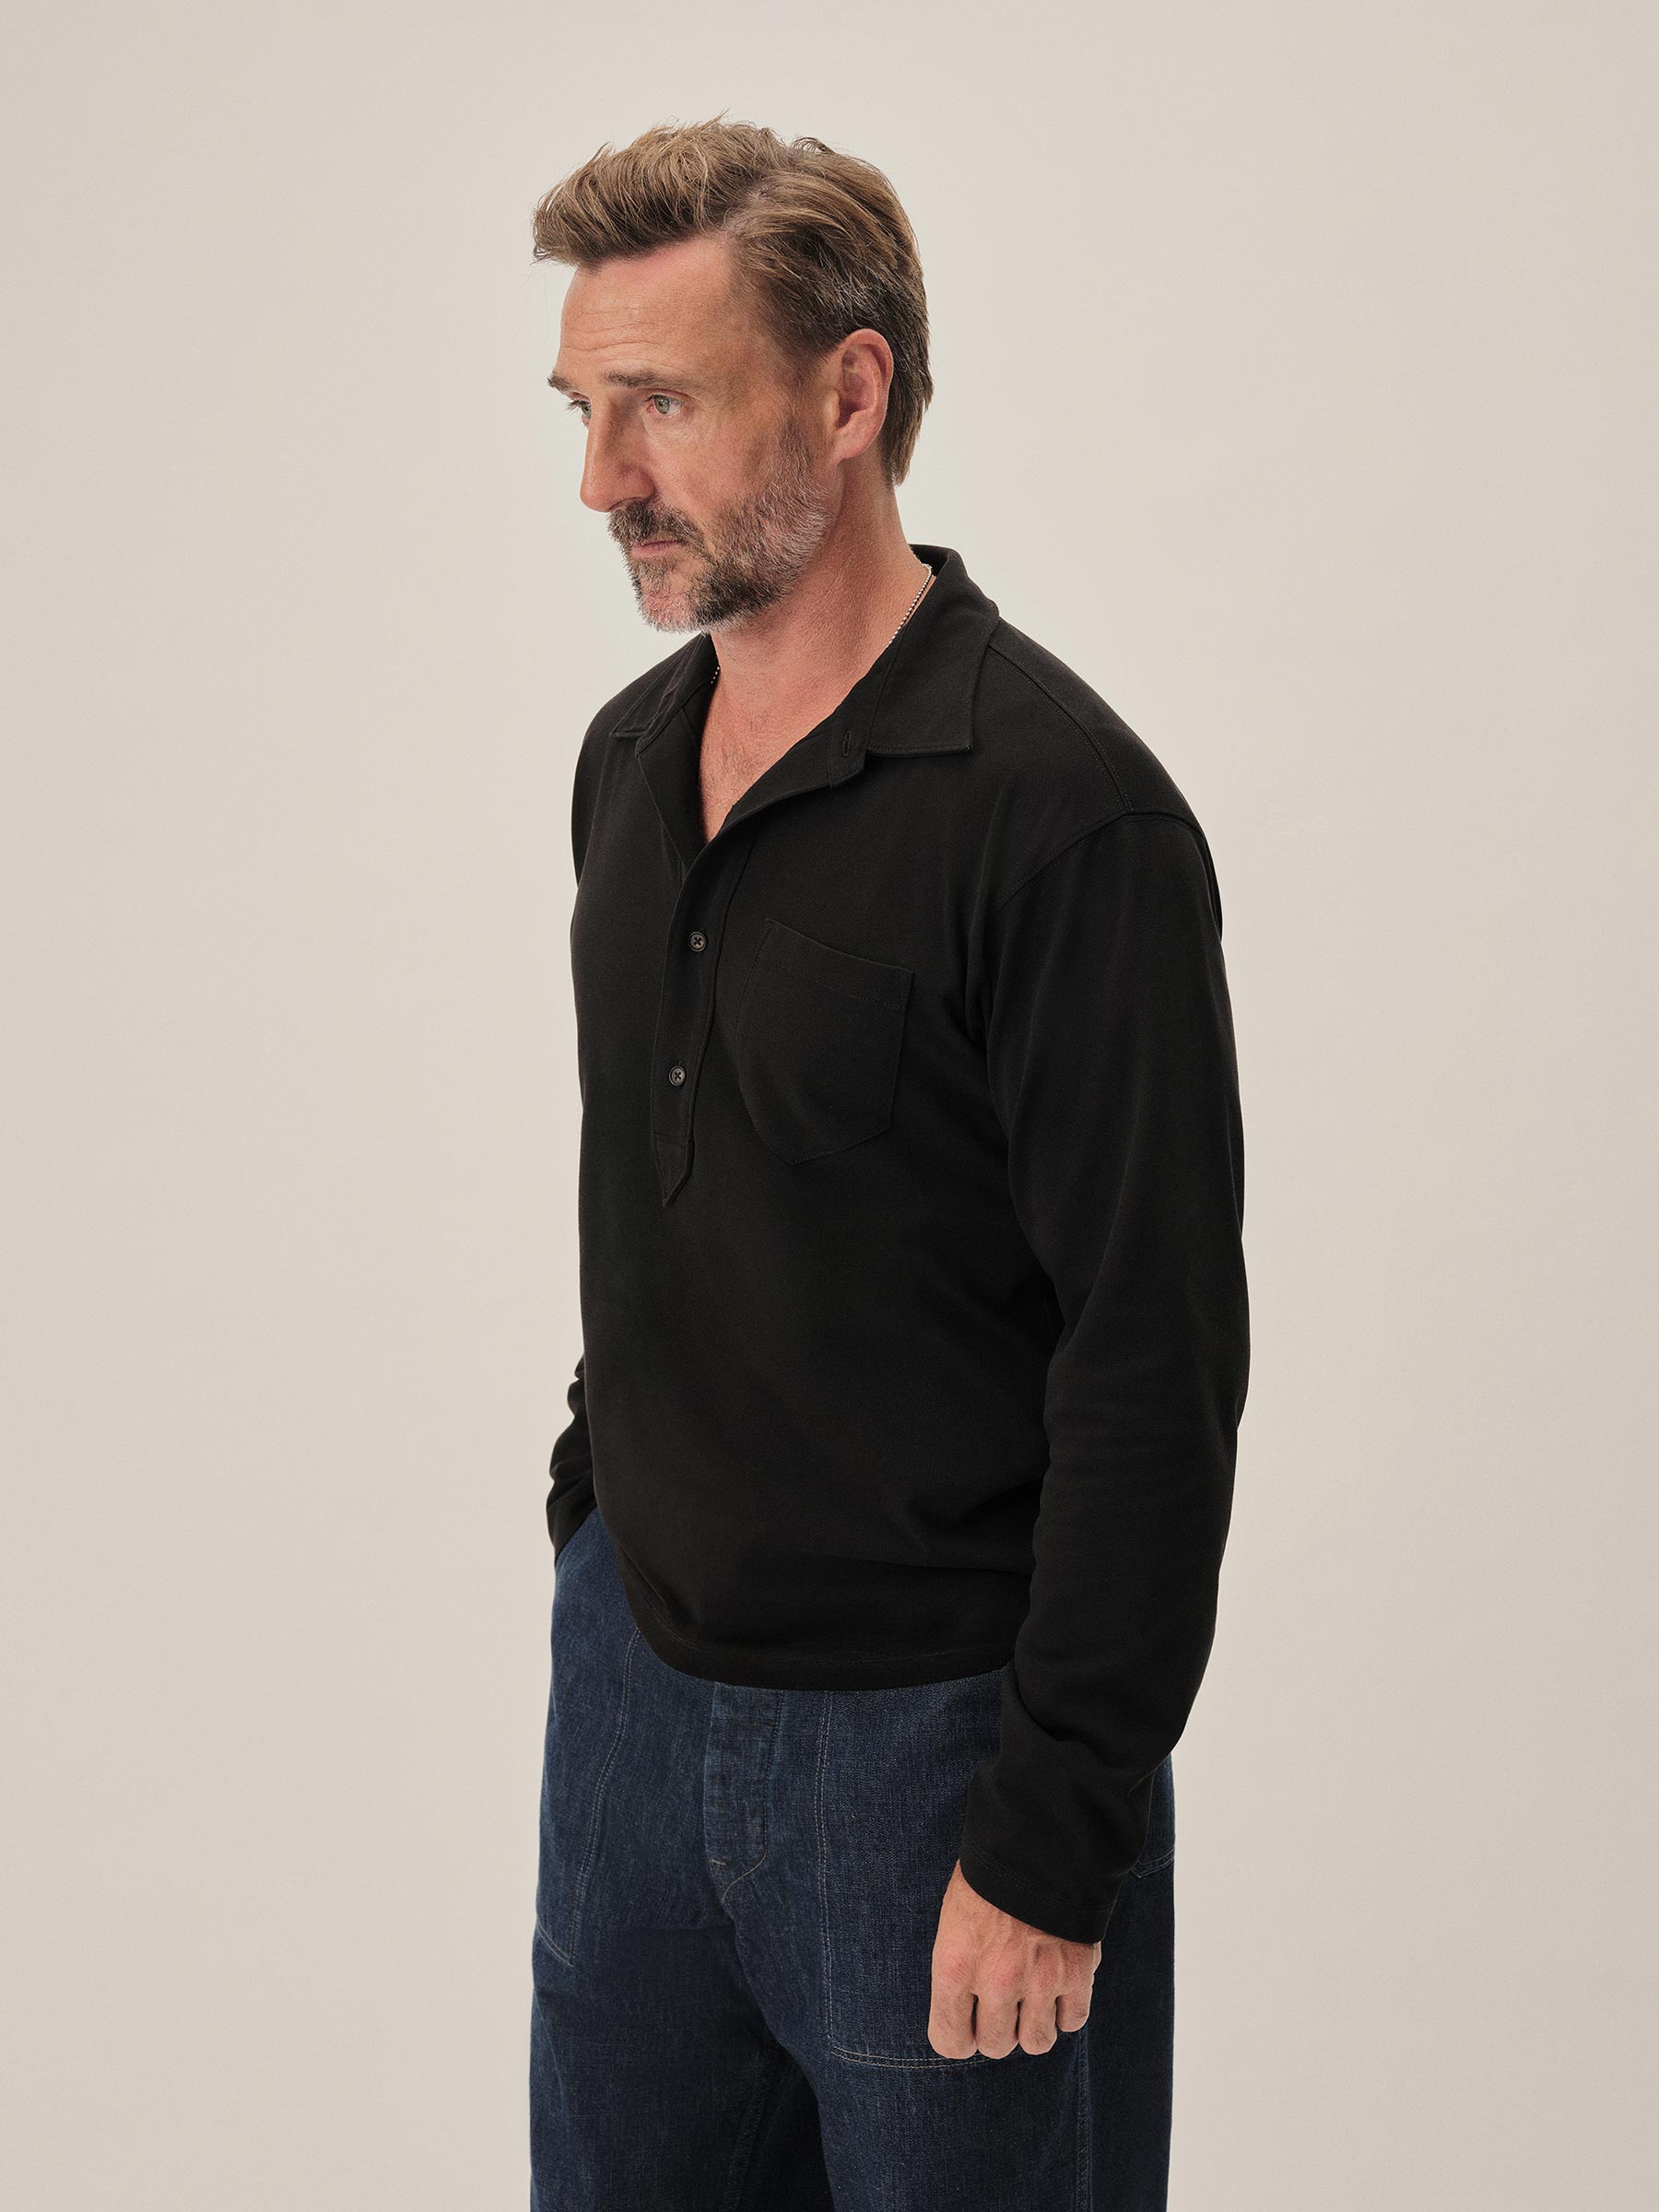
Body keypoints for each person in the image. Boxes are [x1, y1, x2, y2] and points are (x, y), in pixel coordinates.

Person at [526, 115, 1250, 2211]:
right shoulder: (630, 765)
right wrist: (597, 1511)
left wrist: (1054, 1830)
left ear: (852, 395)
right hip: (633, 1703)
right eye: (584, 411)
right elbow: (675, 1195)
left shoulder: (1067, 819)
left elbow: (1156, 1362)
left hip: (935, 1762)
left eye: (661, 404)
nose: (603, 479)